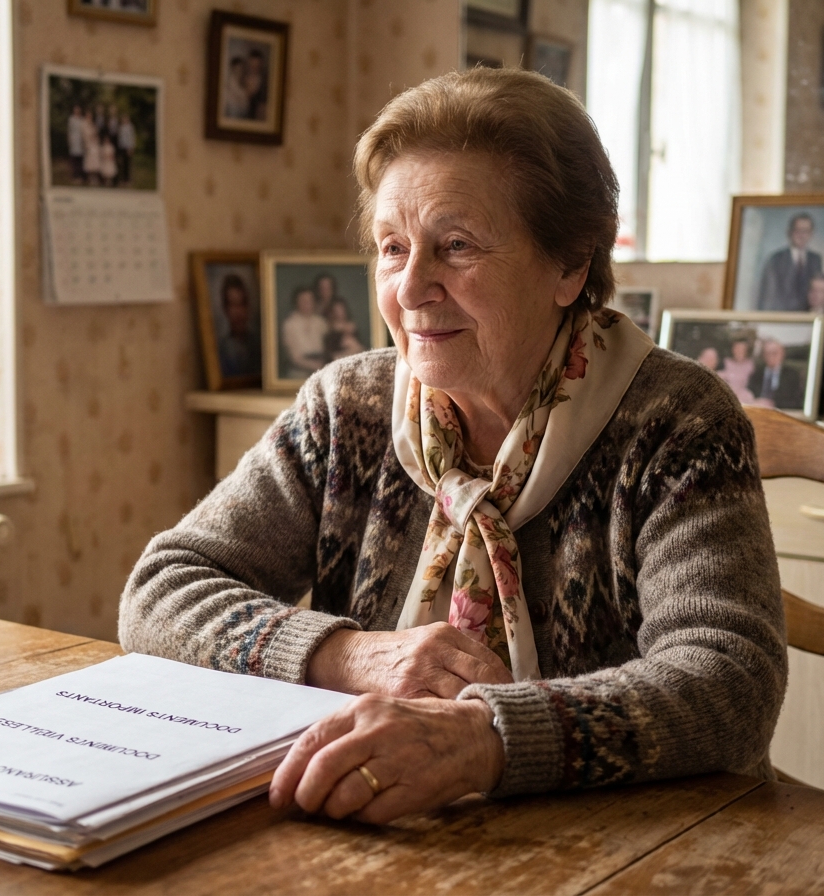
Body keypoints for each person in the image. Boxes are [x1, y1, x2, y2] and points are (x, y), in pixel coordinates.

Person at [121, 68, 785, 825]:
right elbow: (161, 589)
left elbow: (731, 681)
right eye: (393, 248)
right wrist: (346, 655)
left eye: (456, 246)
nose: (410, 289)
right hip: (394, 833)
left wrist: (483, 737)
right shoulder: (348, 409)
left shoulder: (678, 422)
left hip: (642, 840)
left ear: (569, 264)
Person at [757, 213, 822, 311]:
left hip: (806, 319)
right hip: (781, 318)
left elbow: (818, 294)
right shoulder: (776, 259)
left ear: (811, 234)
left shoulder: (815, 260)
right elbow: (768, 297)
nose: (802, 235)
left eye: (806, 231)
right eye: (798, 230)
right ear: (790, 232)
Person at [217, 274, 261, 378]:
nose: (239, 312)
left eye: (242, 304)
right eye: (233, 305)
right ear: (225, 309)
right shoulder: (221, 349)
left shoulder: (259, 345)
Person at [280, 286, 329, 378]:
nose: (307, 304)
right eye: (303, 301)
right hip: (298, 372)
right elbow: (294, 357)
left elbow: (330, 346)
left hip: (321, 370)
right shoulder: (289, 324)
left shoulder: (321, 322)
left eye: (310, 300)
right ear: (296, 302)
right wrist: (318, 366)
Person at [747, 339, 804, 410]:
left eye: (774, 353)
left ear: (782, 354)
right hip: (758, 410)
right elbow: (749, 393)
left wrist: (773, 403)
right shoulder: (757, 373)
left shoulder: (792, 375)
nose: (770, 356)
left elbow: (797, 401)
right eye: (767, 353)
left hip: (781, 412)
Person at [719, 337, 756, 403]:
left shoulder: (750, 365)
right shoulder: (726, 362)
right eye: (736, 348)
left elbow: (754, 384)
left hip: (744, 396)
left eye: (742, 349)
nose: (739, 351)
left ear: (746, 350)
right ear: (733, 349)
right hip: (727, 394)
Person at [244, 48, 269, 121]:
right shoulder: (241, 78)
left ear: (261, 64)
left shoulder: (265, 81)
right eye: (252, 64)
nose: (254, 67)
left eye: (257, 65)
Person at [66, 105, 85, 183]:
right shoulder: (71, 119)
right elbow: (69, 131)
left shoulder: (81, 119)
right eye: (75, 110)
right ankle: (75, 176)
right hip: (73, 140)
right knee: (74, 159)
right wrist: (69, 140)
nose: (77, 111)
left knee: (80, 159)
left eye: (78, 110)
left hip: (81, 141)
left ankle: (80, 176)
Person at [117, 115, 136, 186]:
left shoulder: (130, 127)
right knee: (122, 164)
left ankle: (128, 180)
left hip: (128, 147)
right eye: (123, 119)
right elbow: (120, 138)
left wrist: (131, 147)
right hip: (122, 147)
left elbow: (132, 138)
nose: (124, 120)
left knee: (128, 164)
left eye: (125, 119)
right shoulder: (121, 127)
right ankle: (122, 180)